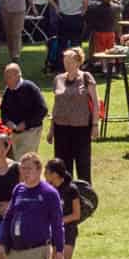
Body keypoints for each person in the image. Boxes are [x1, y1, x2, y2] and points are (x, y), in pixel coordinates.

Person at [0, 153, 66, 259]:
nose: (25, 172)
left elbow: (57, 224)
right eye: (23, 168)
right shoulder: (18, 189)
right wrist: (2, 243)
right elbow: (8, 217)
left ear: (39, 170)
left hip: (37, 252)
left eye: (29, 169)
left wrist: (59, 251)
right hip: (14, 251)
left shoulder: (49, 193)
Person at [51, 48, 98, 182]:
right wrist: (51, 129)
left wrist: (95, 124)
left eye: (70, 61)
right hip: (61, 128)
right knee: (63, 166)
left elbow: (95, 103)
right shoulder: (58, 79)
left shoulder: (86, 77)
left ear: (78, 62)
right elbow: (56, 105)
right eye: (65, 61)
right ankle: (64, 196)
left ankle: (85, 195)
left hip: (81, 128)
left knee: (83, 164)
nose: (67, 64)